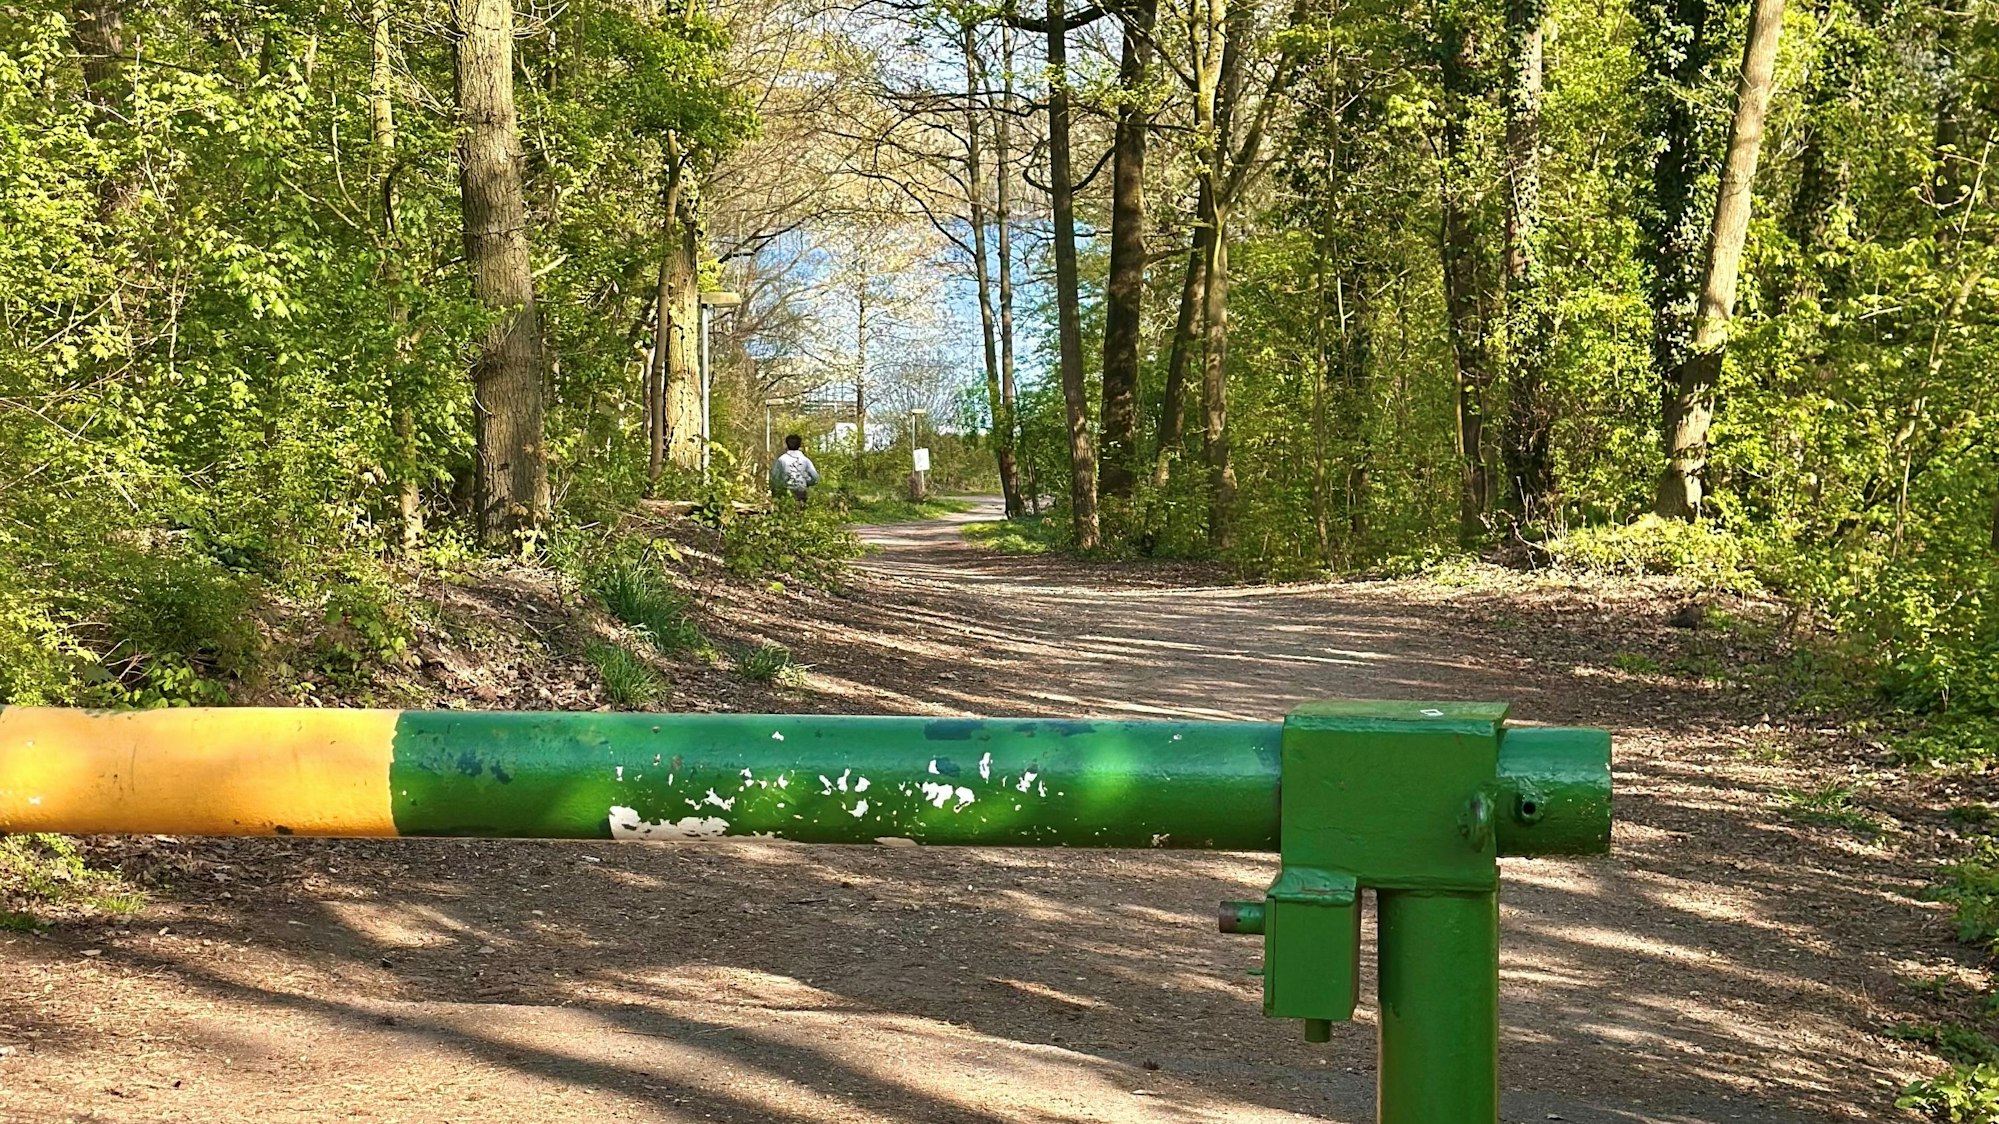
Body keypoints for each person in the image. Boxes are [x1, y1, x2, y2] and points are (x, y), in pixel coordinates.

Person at [769, 433, 820, 505]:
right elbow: (815, 478)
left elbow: (775, 478)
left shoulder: (782, 459)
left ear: (787, 445)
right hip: (801, 491)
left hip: (785, 491)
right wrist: (807, 482)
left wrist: (777, 489)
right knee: (800, 513)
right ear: (799, 445)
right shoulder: (805, 460)